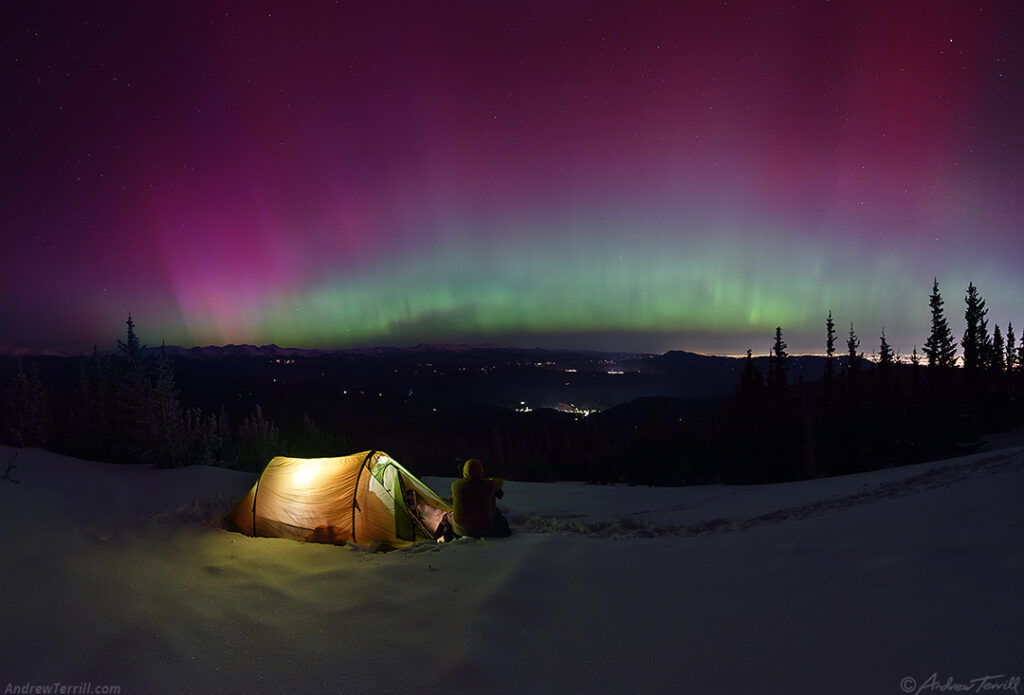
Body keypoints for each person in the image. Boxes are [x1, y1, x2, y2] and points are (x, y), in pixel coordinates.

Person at [449, 458, 510, 538]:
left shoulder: (456, 485)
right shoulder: (488, 485)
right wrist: (491, 480)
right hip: (484, 530)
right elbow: (499, 485)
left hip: (460, 530)